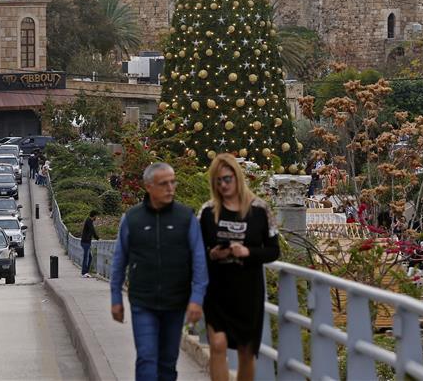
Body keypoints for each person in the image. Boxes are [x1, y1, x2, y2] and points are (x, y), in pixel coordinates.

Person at [110, 162, 208, 381]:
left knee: (167, 363)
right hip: (142, 301)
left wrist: (197, 299)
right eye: (164, 184)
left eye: (173, 182)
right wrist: (115, 297)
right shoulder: (132, 219)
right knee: (146, 357)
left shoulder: (185, 218)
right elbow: (119, 260)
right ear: (149, 187)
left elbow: (199, 260)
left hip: (176, 302)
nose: (170, 188)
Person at [199, 153, 279, 381]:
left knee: (246, 351)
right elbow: (195, 252)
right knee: (217, 344)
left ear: (237, 177)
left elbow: (274, 250)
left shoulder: (260, 210)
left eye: (227, 178)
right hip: (216, 291)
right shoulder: (206, 212)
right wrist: (212, 253)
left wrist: (248, 252)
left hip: (248, 292)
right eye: (218, 180)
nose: (223, 184)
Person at [81, 210, 99, 278]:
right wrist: (98, 238)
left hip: (87, 242)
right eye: (96, 216)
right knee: (86, 257)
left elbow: (92, 231)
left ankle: (86, 272)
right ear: (94, 216)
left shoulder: (89, 221)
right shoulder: (88, 221)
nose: (96, 218)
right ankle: (84, 272)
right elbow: (92, 230)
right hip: (85, 242)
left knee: (90, 257)